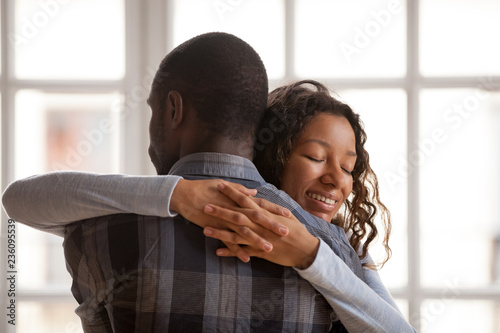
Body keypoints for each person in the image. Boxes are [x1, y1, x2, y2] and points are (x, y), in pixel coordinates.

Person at [2, 33, 370, 332]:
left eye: (152, 110)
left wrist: (172, 195)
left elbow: (18, 199)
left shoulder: (98, 231)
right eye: (317, 158)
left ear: (173, 110)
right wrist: (177, 195)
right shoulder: (333, 248)